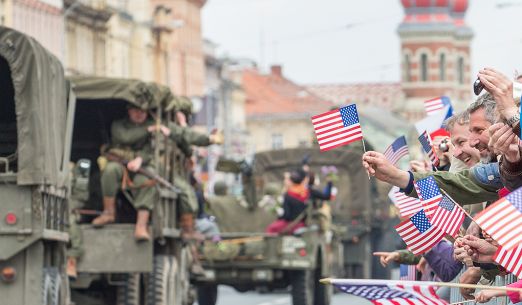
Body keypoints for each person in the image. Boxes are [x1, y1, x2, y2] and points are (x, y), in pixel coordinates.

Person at [94, 103, 157, 241]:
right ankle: (108, 212)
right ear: (128, 111)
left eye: (143, 111)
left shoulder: (154, 124)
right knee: (110, 170)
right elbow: (125, 137)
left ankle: (141, 225)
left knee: (145, 181)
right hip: (120, 163)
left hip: (142, 166)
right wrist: (148, 129)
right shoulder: (118, 125)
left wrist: (140, 159)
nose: (139, 114)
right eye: (135, 110)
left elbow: (151, 149)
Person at [265, 168, 332, 234]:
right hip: (305, 223)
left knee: (271, 228)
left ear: (291, 180)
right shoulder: (309, 192)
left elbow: (287, 216)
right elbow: (327, 196)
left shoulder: (288, 194)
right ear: (304, 179)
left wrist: (279, 214)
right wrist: (329, 182)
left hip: (293, 225)